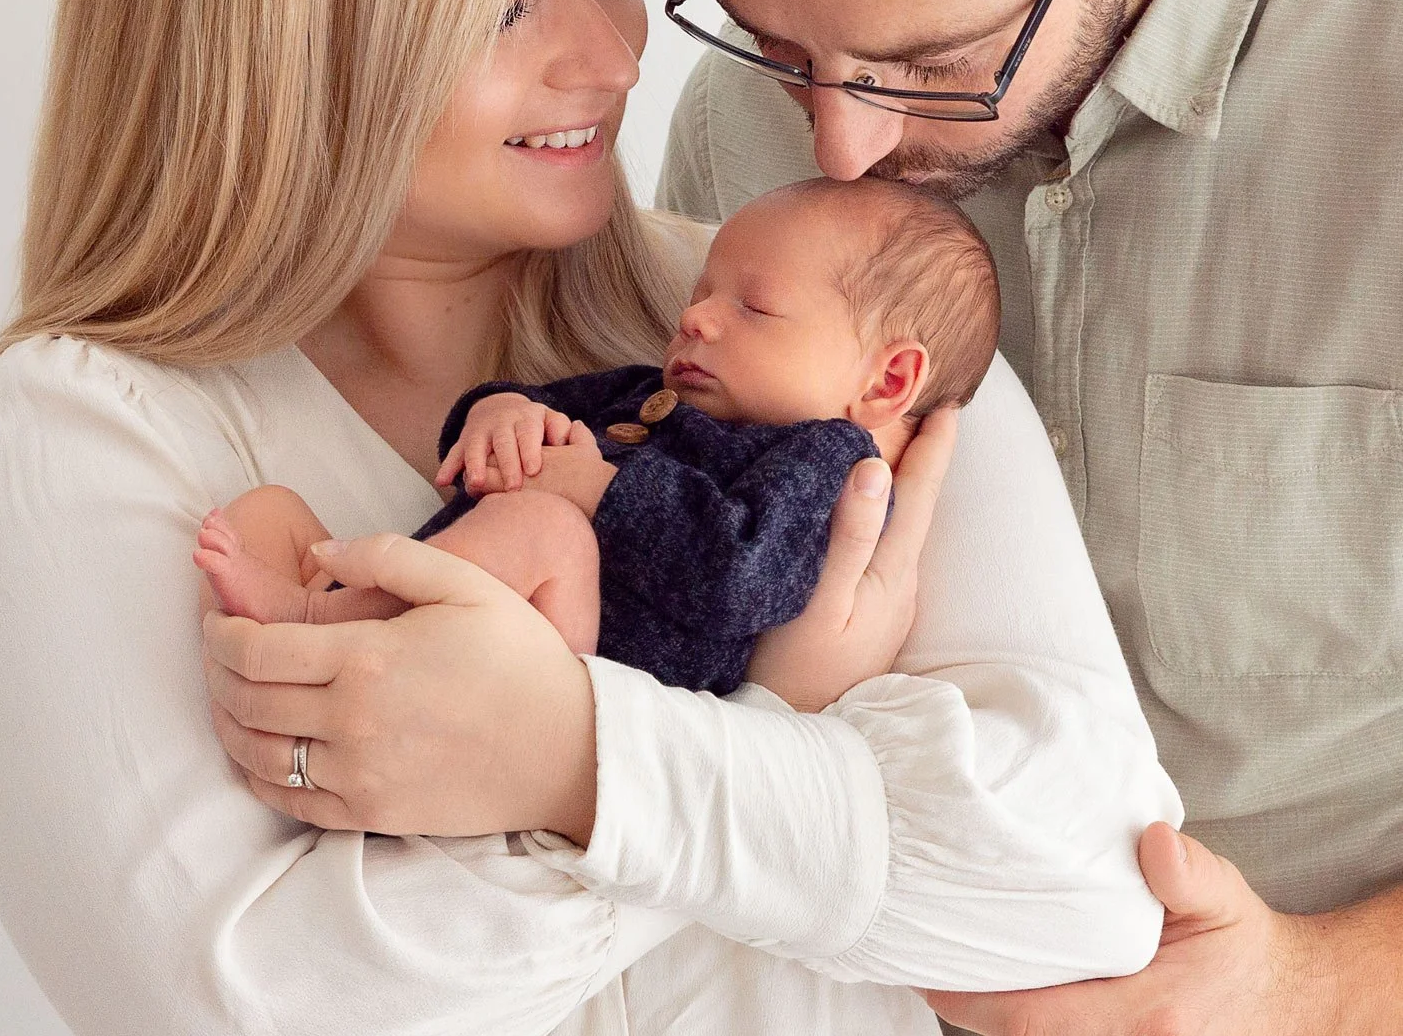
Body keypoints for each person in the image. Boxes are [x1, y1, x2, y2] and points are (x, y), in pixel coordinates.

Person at [0, 0, 1180, 1036]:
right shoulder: (88, 438)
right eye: (508, 5)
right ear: (294, 47)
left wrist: (582, 761)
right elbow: (256, 1011)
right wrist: (779, 720)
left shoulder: (827, 332)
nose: (619, 57)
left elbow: (1088, 898)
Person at [656, 0, 1403, 1036]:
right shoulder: (742, 121)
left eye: (931, 66)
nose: (836, 141)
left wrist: (1312, 993)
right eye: (773, 42)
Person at [194, 177, 1001, 702]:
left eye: (752, 307)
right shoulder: (652, 394)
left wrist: (601, 491)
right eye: (702, 290)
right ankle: (322, 653)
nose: (695, 316)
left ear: (887, 382)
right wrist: (497, 415)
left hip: (573, 673)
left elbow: (743, 582)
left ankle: (319, 620)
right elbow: (537, 414)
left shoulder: (822, 460)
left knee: (544, 528)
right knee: (266, 512)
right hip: (467, 611)